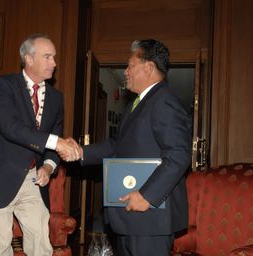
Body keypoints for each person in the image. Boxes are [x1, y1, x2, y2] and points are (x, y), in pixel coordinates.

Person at [64, 39, 192, 255]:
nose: (125, 71)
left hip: (150, 219)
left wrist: (146, 196)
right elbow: (117, 145)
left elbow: (179, 155)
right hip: (133, 219)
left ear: (149, 67)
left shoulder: (164, 101)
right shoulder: (139, 103)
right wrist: (80, 152)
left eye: (130, 65)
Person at [0, 33, 79, 256]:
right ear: (29, 59)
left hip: (33, 180)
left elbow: (55, 135)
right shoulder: (3, 85)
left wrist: (49, 167)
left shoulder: (56, 98)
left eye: (54, 57)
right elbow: (10, 127)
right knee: (0, 246)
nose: (54, 63)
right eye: (47, 57)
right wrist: (56, 142)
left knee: (41, 243)